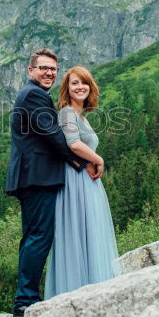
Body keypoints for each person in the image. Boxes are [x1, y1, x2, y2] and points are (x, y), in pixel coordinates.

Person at [5, 48, 85, 317]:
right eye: (43, 68)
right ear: (31, 70)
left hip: (32, 176)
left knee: (32, 237)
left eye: (53, 68)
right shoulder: (34, 95)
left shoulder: (33, 94)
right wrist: (81, 163)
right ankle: (26, 301)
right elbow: (53, 136)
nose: (49, 72)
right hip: (36, 176)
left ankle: (24, 299)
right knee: (39, 237)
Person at [44, 65, 119, 298]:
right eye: (74, 83)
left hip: (86, 182)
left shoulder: (79, 115)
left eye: (84, 82)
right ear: (67, 88)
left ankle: (94, 287)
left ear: (90, 87)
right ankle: (77, 292)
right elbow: (73, 143)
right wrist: (99, 159)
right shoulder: (67, 112)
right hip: (75, 181)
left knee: (89, 232)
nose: (80, 87)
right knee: (78, 231)